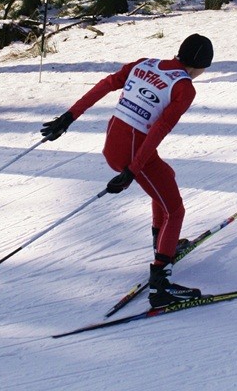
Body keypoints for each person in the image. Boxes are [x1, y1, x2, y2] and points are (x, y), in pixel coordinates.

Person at [40, 32, 214, 308]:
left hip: (114, 142)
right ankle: (161, 284)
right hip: (133, 151)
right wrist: (133, 170)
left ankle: (164, 243)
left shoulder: (145, 64)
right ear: (199, 65)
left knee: (165, 177)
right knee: (175, 209)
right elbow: (160, 129)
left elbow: (105, 85)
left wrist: (69, 116)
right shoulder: (184, 87)